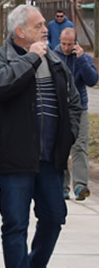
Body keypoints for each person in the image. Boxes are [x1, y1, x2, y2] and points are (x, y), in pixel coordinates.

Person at [0, 4, 81, 268]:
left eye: (44, 25)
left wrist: (68, 136)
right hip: (14, 159)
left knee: (54, 217)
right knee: (15, 223)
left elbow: (74, 102)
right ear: (20, 31)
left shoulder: (55, 61)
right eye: (38, 25)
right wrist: (31, 58)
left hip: (49, 159)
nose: (45, 29)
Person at [57, 27, 97, 200]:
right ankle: (62, 186)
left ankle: (80, 185)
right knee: (61, 147)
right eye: (63, 44)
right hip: (59, 109)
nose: (66, 47)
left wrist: (81, 59)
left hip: (79, 108)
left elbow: (92, 80)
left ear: (76, 43)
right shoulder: (53, 56)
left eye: (70, 44)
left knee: (80, 146)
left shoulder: (83, 58)